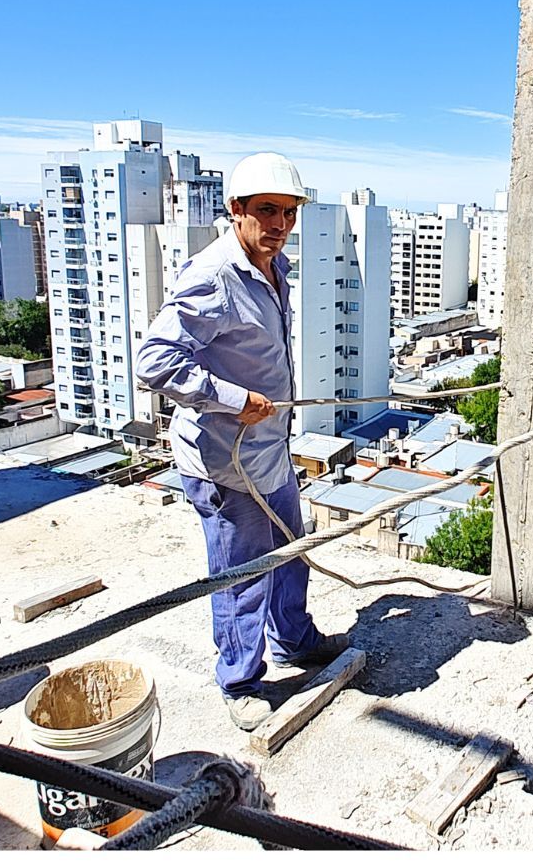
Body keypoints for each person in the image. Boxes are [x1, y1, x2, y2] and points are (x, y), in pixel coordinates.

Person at [134, 152, 350, 731]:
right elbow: (153, 361)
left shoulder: (273, 267)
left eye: (289, 212)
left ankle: (294, 641)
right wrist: (232, 399)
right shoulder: (214, 277)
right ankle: (240, 679)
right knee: (242, 577)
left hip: (269, 453)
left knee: (289, 554)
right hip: (225, 465)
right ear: (236, 209)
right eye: (267, 211)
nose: (280, 224)